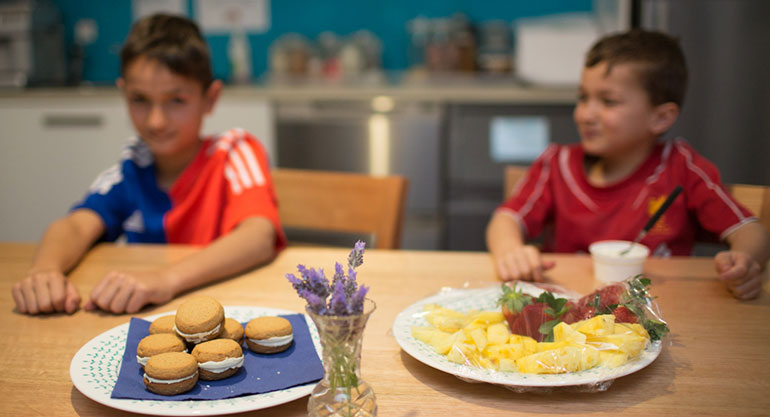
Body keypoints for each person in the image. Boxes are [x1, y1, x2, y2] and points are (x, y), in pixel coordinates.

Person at [12, 14, 286, 315]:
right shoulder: (131, 169)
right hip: (151, 318)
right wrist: (44, 270)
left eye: (176, 100)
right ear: (123, 93)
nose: (156, 121)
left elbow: (258, 236)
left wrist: (165, 279)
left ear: (210, 99)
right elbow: (76, 225)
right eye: (140, 99)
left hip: (232, 308)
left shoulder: (234, 152)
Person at [486, 29, 770, 300]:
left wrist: (743, 263)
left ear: (660, 118)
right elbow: (506, 220)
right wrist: (511, 249)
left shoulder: (682, 167)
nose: (586, 114)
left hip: (664, 315)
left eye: (608, 102)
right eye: (583, 98)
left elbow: (751, 232)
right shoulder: (555, 163)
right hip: (566, 319)